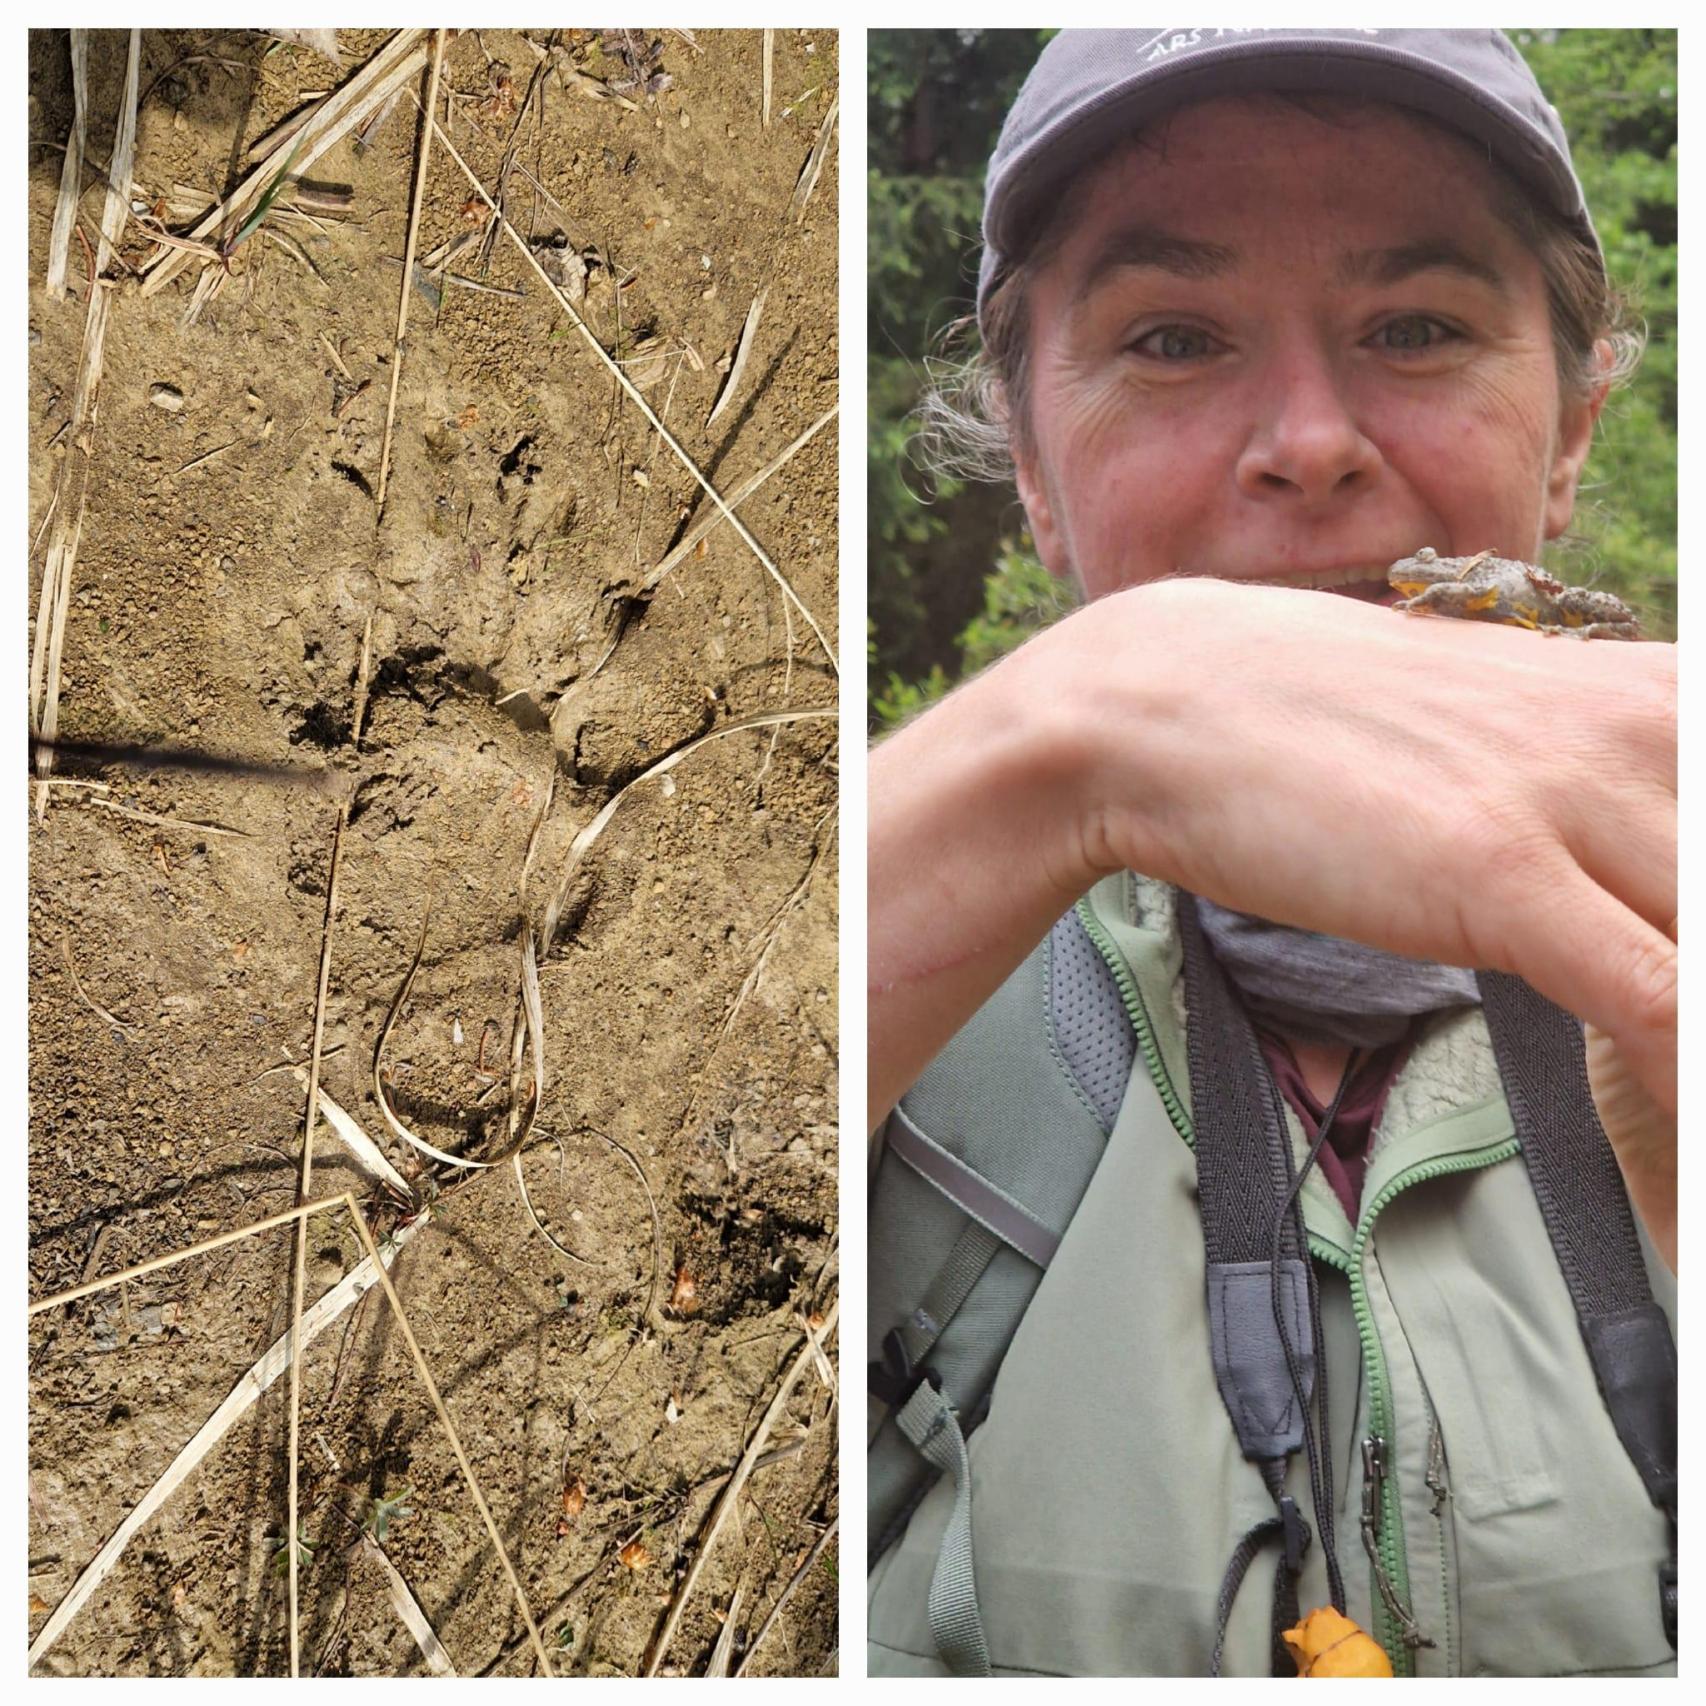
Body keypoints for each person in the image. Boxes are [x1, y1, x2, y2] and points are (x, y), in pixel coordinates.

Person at [867, 29, 1676, 1678]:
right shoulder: (917, 969)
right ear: (1028, 462)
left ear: (1574, 423)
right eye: (1172, 337)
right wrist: (1079, 729)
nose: (1308, 440)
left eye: (1416, 328)